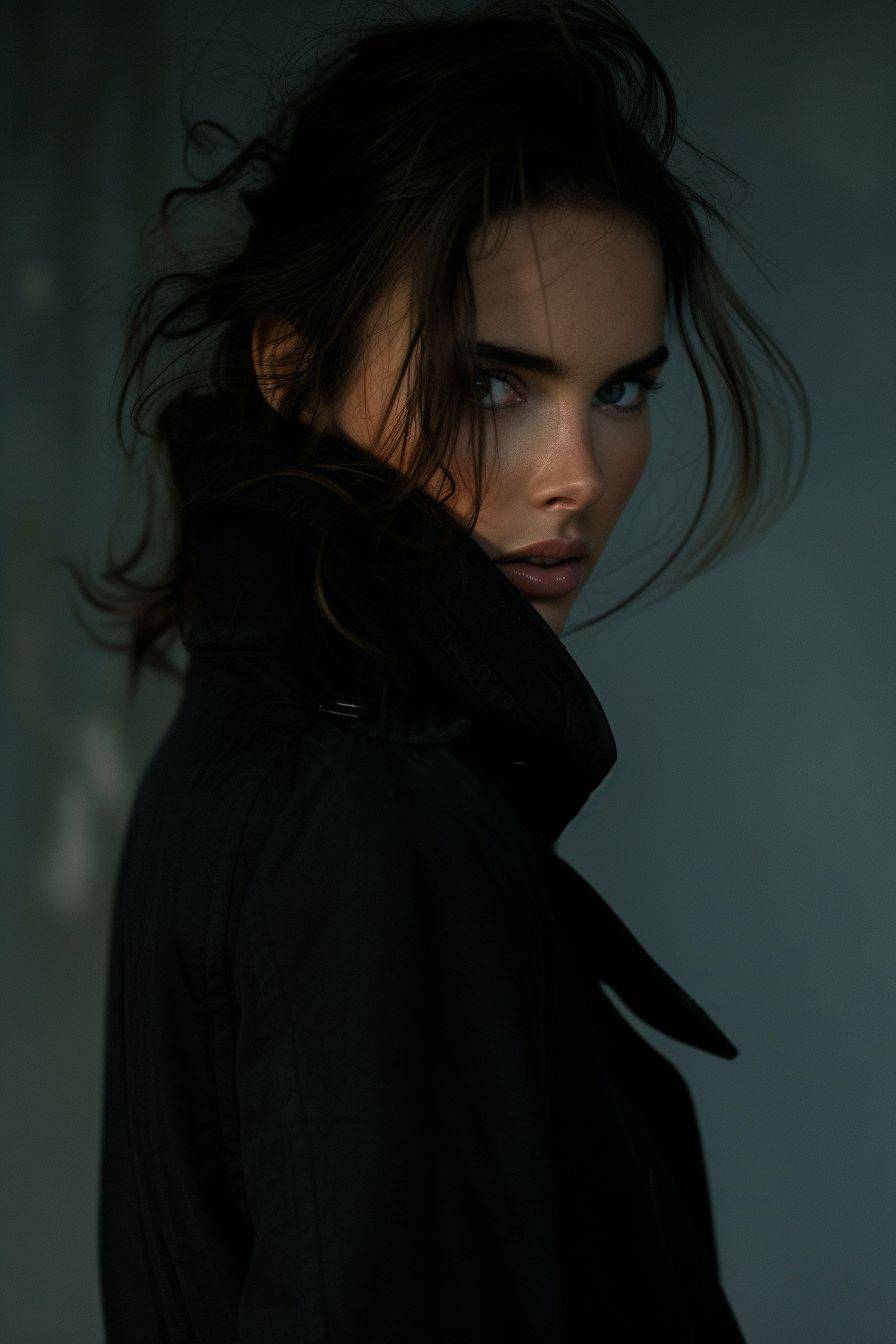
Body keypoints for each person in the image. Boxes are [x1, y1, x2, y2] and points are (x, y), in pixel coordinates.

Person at [74, 1, 810, 1339]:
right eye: (494, 386)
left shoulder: (264, 750)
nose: (579, 474)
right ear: (294, 368)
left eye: (622, 391)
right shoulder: (364, 813)